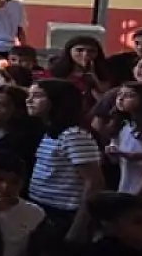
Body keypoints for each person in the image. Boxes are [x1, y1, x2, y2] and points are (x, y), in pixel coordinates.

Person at [26, 79, 104, 232]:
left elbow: (95, 182)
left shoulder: (74, 135)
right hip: (42, 208)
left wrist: (78, 227)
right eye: (29, 95)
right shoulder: (51, 132)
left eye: (37, 95)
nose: (29, 100)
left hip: (63, 213)